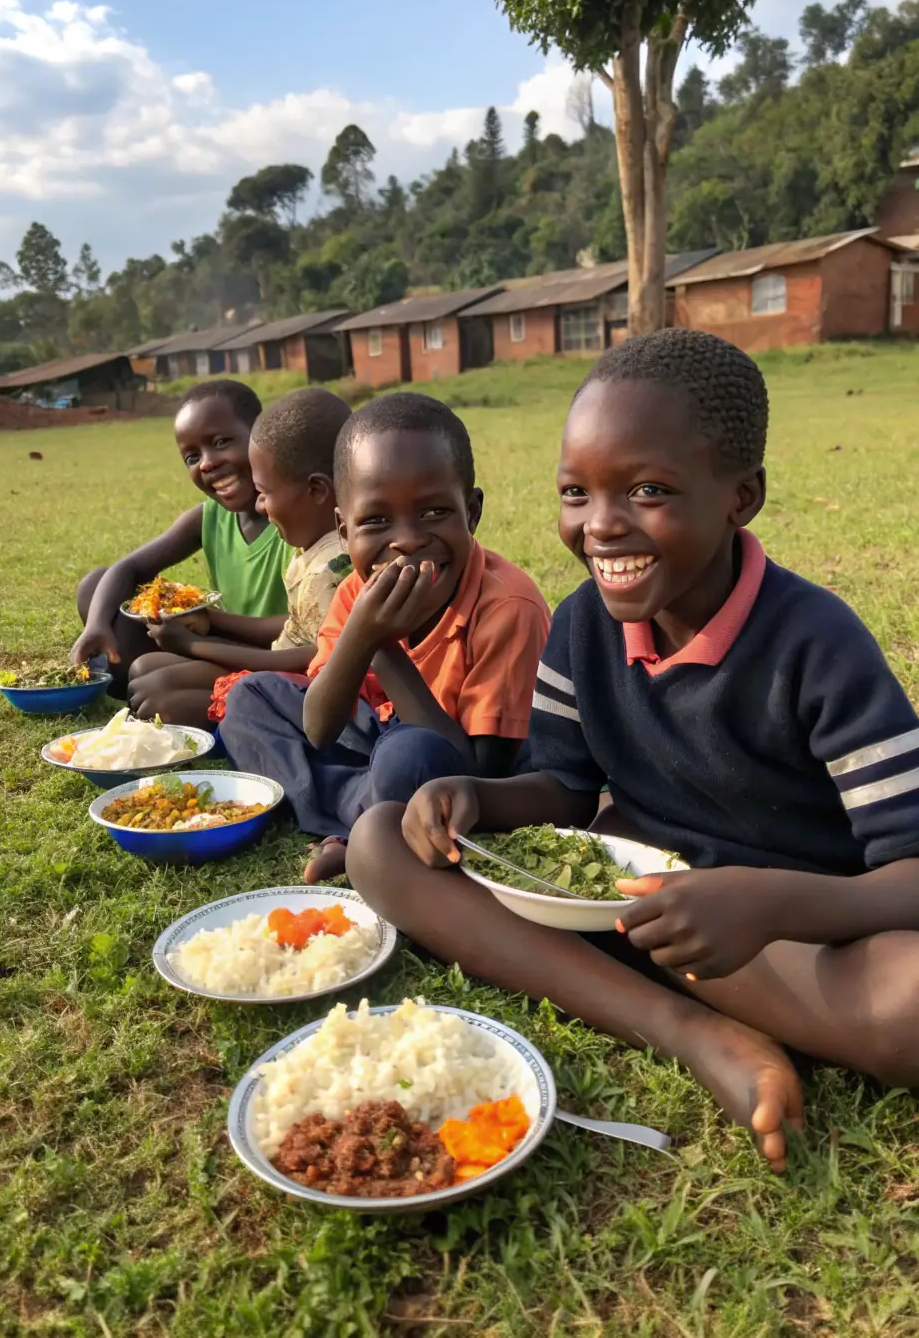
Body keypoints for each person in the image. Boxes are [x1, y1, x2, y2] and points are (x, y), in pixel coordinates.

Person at [345, 329, 919, 1173]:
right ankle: (697, 1037)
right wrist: (482, 797)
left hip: (780, 945)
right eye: (577, 492)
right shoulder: (583, 626)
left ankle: (712, 1005)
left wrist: (765, 906)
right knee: (381, 840)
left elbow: (909, 872)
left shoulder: (815, 644)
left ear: (740, 497)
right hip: (614, 908)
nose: (601, 526)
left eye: (647, 490)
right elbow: (567, 790)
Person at [220, 392, 551, 882]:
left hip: (451, 764)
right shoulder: (358, 588)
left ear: (472, 511)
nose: (407, 541)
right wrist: (364, 634)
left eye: (434, 512)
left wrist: (386, 652)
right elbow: (318, 726)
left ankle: (363, 826)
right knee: (249, 698)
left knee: (409, 755)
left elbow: (481, 774)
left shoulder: (507, 607)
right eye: (375, 521)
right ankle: (362, 819)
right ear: (343, 527)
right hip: (379, 735)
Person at [71, 380, 294, 719]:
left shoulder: (295, 519)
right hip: (221, 643)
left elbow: (307, 627)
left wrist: (208, 621)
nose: (206, 463)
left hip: (277, 654)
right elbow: (128, 568)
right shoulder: (209, 517)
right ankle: (124, 678)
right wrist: (96, 627)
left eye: (221, 442)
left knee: (150, 679)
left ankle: (206, 700)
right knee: (96, 587)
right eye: (192, 456)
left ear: (261, 435)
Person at [175, 386, 354, 721]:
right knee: (151, 676)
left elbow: (314, 660)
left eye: (263, 493)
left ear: (316, 490)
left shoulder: (331, 568)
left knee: (160, 697)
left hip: (300, 695)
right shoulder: (310, 554)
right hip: (278, 675)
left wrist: (193, 646)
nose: (258, 504)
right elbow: (293, 634)